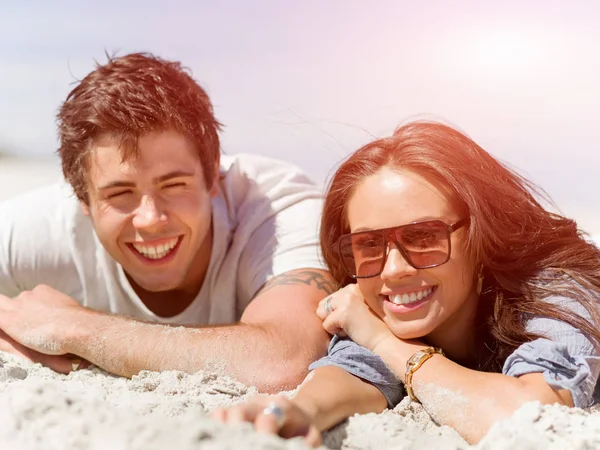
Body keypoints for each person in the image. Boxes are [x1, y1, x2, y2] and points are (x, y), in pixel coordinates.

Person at [212, 121, 600, 445]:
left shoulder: (556, 289)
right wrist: (296, 409)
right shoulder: (379, 304)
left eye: (424, 237)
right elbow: (354, 370)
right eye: (368, 244)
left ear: (481, 235)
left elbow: (528, 416)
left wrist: (384, 341)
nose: (393, 269)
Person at [0, 53, 334, 392]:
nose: (151, 220)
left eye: (174, 185)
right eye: (120, 193)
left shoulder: (276, 207)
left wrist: (73, 327)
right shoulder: (47, 226)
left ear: (212, 175)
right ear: (82, 198)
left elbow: (284, 361)